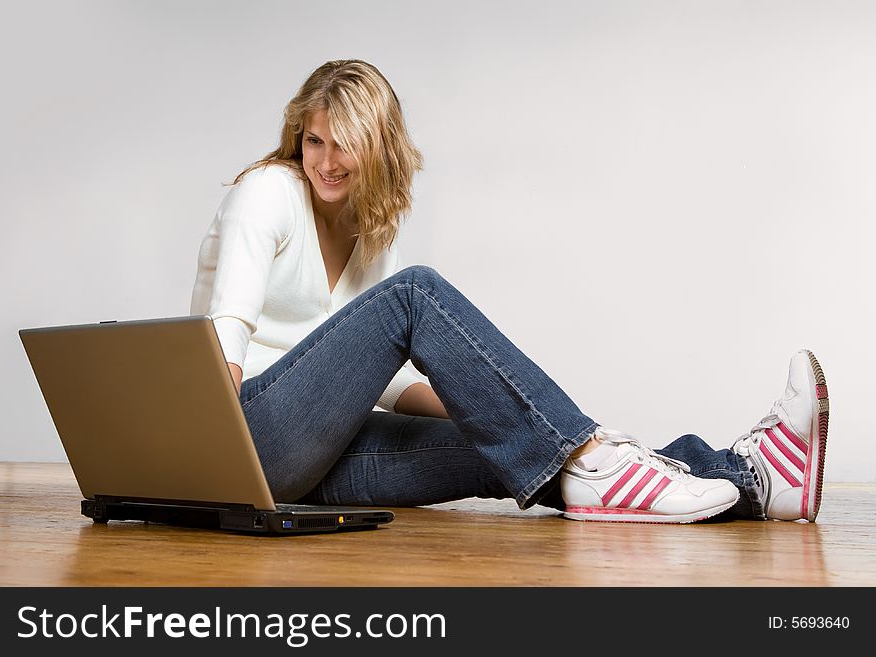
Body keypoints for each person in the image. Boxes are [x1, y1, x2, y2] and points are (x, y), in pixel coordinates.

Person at [190, 59, 829, 524]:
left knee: (518, 447)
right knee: (418, 296)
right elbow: (225, 335)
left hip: (319, 464)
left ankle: (755, 479)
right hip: (248, 440)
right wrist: (210, 477)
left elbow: (382, 382)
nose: (325, 162)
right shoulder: (268, 193)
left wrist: (494, 407)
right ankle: (592, 452)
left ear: (379, 149)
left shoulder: (371, 232)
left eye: (345, 146)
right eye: (313, 140)